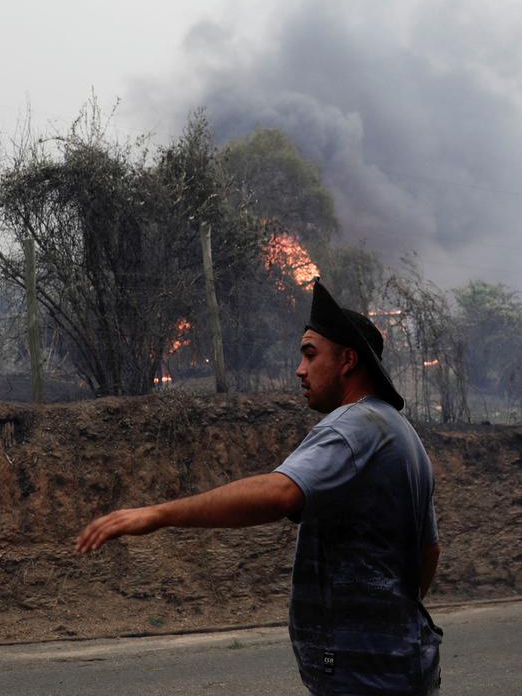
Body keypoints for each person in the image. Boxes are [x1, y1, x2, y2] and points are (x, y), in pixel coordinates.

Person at [75, 280, 443, 695]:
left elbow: (280, 493)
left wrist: (158, 515)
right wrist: (393, 618)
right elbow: (429, 551)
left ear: (347, 361)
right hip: (402, 659)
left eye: (309, 355)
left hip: (361, 671)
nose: (299, 370)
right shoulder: (404, 435)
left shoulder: (351, 426)